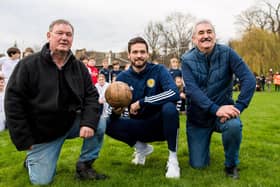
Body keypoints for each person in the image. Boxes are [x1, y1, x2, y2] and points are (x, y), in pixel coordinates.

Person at [4, 19, 107, 185]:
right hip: (43, 132)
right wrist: (23, 138)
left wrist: (87, 122)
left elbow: (91, 97)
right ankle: (32, 160)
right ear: (48, 35)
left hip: (70, 123)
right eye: (59, 33)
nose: (64, 38)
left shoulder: (79, 67)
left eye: (68, 34)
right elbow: (13, 102)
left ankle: (84, 166)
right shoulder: (28, 65)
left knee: (99, 123)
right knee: (41, 181)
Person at [181, 20, 256, 179]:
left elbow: (249, 79)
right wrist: (216, 109)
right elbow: (192, 91)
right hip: (198, 118)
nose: (206, 35)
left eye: (209, 32)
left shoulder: (227, 53)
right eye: (201, 33)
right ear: (194, 39)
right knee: (198, 165)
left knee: (234, 125)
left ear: (214, 36)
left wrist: (239, 107)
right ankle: (202, 147)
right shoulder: (186, 60)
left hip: (224, 115)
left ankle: (231, 165)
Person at [106, 37, 181, 178]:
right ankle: (142, 148)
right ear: (129, 55)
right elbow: (111, 111)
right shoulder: (122, 77)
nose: (139, 55)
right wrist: (117, 110)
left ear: (147, 54)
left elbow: (173, 93)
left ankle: (173, 160)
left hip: (160, 124)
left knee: (170, 108)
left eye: (142, 52)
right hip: (138, 126)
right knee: (106, 122)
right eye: (135, 52)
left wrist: (142, 102)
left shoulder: (159, 70)